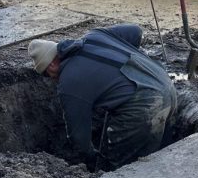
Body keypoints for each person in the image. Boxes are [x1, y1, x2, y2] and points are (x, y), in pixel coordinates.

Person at [29, 24, 177, 170]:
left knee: (122, 170)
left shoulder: (68, 82)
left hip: (144, 105)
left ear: (51, 65)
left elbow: (78, 137)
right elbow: (135, 31)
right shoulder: (95, 35)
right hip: (165, 83)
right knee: (160, 158)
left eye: (48, 75)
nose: (53, 80)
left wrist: (93, 160)